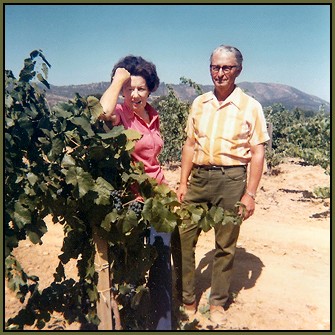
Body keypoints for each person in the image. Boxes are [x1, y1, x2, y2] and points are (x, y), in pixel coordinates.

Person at [176, 45, 270, 325]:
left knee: (225, 244)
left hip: (231, 180)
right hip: (199, 178)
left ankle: (217, 301)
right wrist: (183, 182)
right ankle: (188, 298)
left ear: (238, 70)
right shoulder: (199, 103)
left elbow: (257, 152)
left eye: (226, 67)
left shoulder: (251, 106)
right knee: (183, 237)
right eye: (215, 67)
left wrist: (249, 193)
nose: (220, 73)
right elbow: (190, 145)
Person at [99, 55, 172, 330]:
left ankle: (162, 325)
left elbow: (153, 162)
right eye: (130, 88)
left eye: (141, 88)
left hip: (158, 201)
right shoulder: (120, 115)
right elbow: (101, 113)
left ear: (150, 89)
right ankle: (129, 322)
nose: (135, 94)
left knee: (162, 266)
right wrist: (119, 78)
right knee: (129, 267)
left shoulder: (154, 116)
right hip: (131, 203)